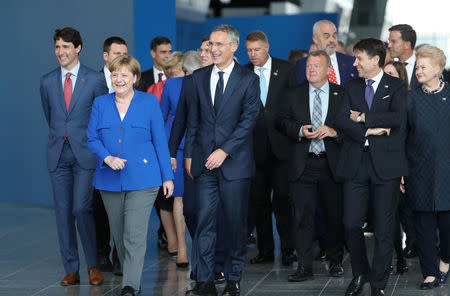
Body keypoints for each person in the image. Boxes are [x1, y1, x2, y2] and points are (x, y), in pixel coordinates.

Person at [87, 55, 174, 296]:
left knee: (134, 233)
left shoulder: (148, 103)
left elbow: (159, 142)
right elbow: (92, 138)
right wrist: (107, 157)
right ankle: (129, 274)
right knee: (119, 233)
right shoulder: (100, 104)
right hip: (109, 180)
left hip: (144, 180)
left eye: (124, 74)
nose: (119, 79)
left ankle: (130, 285)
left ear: (135, 78)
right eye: (115, 74)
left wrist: (168, 177)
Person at [184, 24, 260, 296]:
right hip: (204, 164)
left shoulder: (248, 79)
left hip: (235, 164)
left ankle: (233, 277)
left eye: (218, 44)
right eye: (210, 45)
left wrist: (224, 150)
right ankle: (204, 279)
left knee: (235, 223)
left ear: (233, 47)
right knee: (204, 221)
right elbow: (194, 121)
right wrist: (190, 156)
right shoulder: (198, 77)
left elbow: (249, 120)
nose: (212, 49)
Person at [335, 38, 408, 296]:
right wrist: (370, 131)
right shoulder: (350, 86)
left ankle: (378, 285)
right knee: (351, 223)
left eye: (359, 59)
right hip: (355, 164)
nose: (354, 63)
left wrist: (363, 117)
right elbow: (341, 119)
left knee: (384, 228)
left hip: (386, 167)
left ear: (375, 60)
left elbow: (398, 118)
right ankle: (360, 273)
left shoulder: (396, 87)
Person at [40, 27, 107, 286]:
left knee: (82, 208)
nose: (61, 52)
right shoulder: (47, 81)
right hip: (58, 155)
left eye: (66, 47)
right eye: (57, 47)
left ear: (77, 48)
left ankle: (93, 265)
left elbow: (101, 117)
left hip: (86, 154)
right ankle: (71, 268)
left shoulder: (93, 79)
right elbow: (51, 117)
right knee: (63, 212)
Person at [277, 50, 345, 281]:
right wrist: (298, 130)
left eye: (316, 66)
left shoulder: (342, 94)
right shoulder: (292, 94)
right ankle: (304, 266)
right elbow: (281, 121)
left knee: (334, 216)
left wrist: (335, 132)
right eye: (308, 66)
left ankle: (335, 261)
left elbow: (350, 127)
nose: (311, 70)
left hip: (331, 164)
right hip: (302, 164)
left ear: (328, 70)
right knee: (301, 217)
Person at [244, 30, 297, 266]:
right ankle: (265, 251)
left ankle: (288, 250)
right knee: (259, 202)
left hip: (282, 147)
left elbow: (296, 104)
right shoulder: (243, 73)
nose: (253, 54)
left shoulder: (286, 69)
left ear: (267, 48)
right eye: (249, 50)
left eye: (257, 50)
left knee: (284, 202)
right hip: (254, 149)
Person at [404, 44, 449, 289]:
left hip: (447, 170)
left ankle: (445, 259)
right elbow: (402, 136)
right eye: (417, 66)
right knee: (423, 225)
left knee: (447, 224)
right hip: (418, 170)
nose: (418, 70)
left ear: (438, 69)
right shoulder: (411, 99)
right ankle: (430, 272)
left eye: (424, 67)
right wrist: (402, 170)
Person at [159, 51, 200, 268]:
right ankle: (182, 249)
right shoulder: (171, 85)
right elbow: (160, 117)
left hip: (202, 148)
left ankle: (202, 247)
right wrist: (168, 153)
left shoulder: (208, 83)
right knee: (179, 197)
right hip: (177, 148)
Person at [94, 35, 127, 275]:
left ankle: (119, 256)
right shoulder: (92, 81)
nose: (122, 58)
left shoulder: (131, 81)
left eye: (125, 53)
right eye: (117, 54)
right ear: (106, 56)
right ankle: (101, 253)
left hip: (124, 155)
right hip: (97, 155)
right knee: (99, 207)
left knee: (124, 208)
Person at [297, 20, 358, 85]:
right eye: (326, 36)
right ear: (315, 39)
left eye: (334, 36)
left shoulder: (351, 62)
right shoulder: (303, 64)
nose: (332, 40)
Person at [388, 24, 419, 90]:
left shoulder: (425, 67)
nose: (389, 45)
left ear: (407, 45)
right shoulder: (387, 68)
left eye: (393, 41)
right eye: (389, 41)